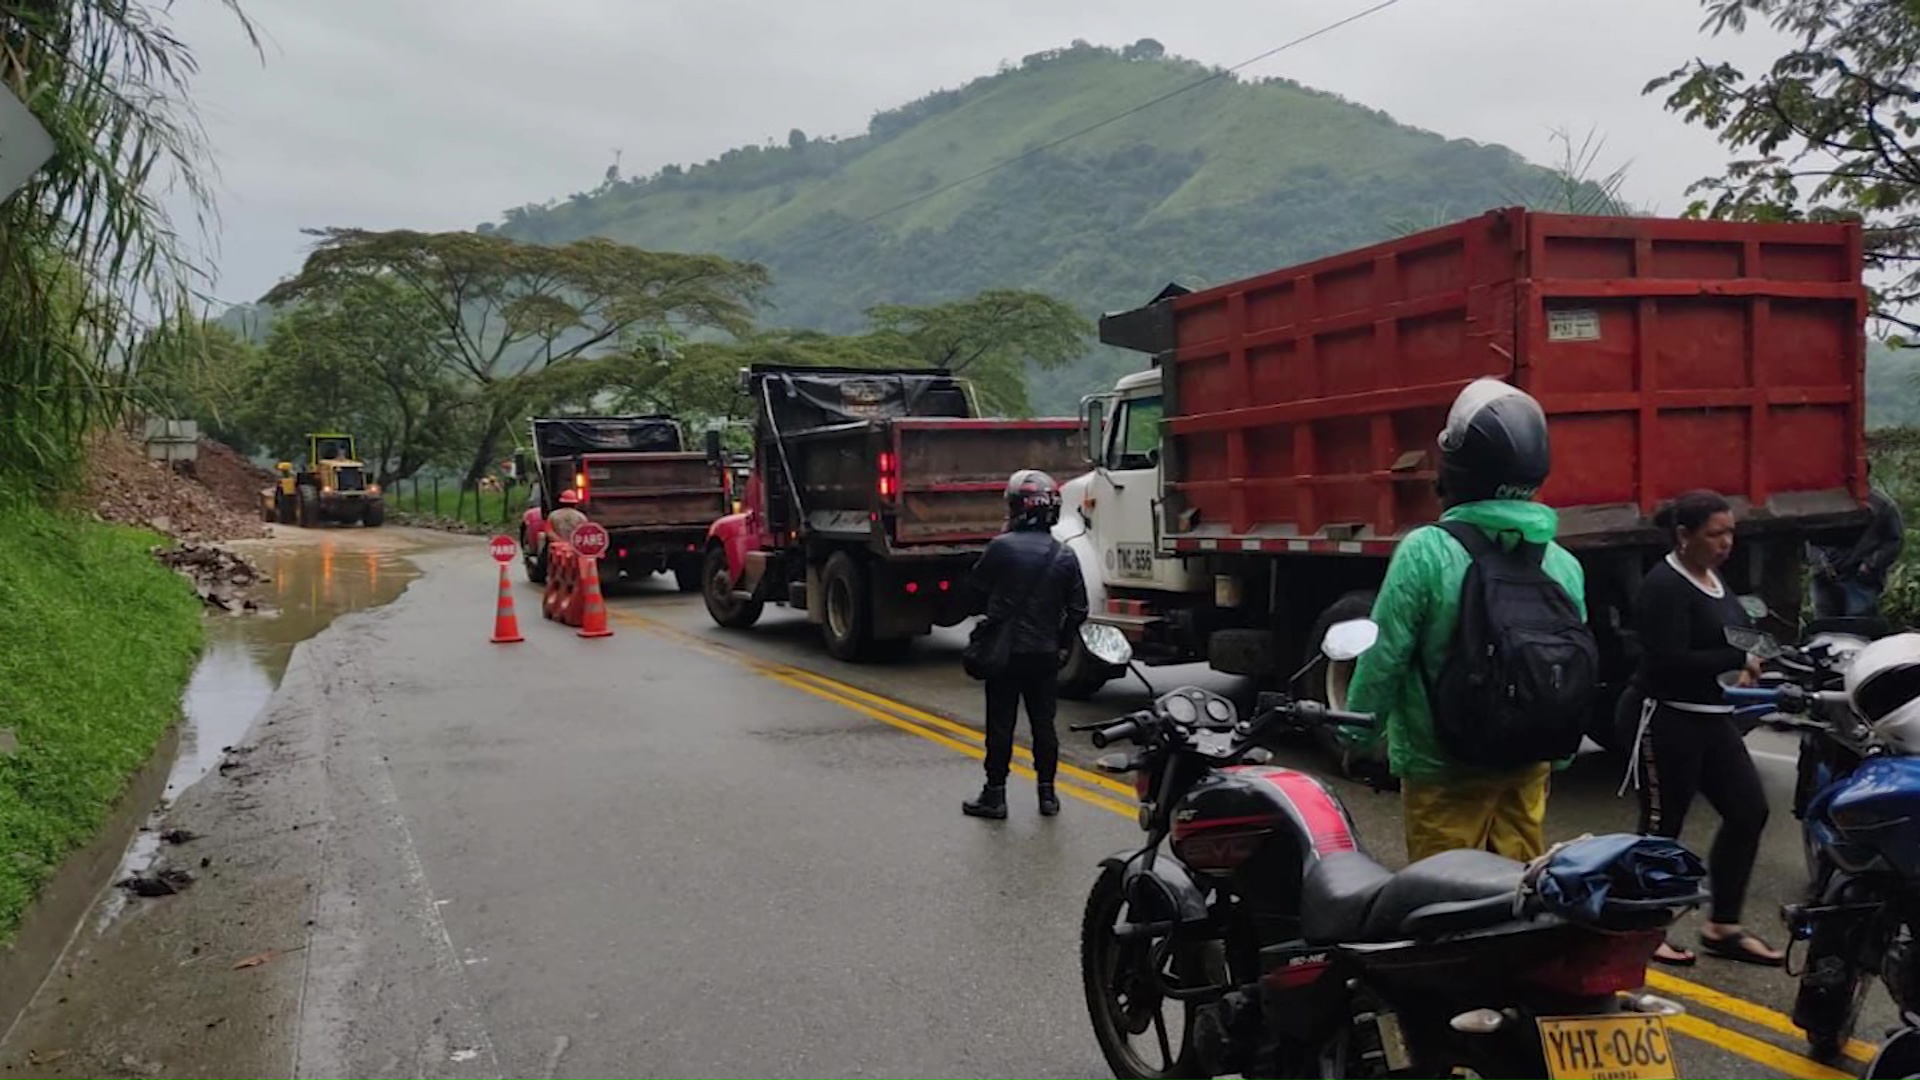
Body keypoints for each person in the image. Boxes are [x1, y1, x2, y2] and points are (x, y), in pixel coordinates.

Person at [1342, 379, 1586, 864]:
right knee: (1517, 894)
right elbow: (1567, 668)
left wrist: (1356, 735)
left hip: (1443, 766)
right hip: (1527, 763)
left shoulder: (1426, 551)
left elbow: (1385, 656)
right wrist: (1557, 755)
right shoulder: (1561, 561)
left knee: (1445, 899)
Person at [1627, 489, 1782, 968]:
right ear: (1683, 535)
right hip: (1666, 716)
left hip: (1712, 718)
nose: (1726, 542)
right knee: (1661, 831)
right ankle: (1640, 932)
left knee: (1748, 811)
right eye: (1715, 534)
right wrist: (1737, 657)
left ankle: (1723, 926)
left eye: (1731, 532)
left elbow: (1732, 630)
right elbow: (1669, 660)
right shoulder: (1664, 586)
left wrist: (1773, 652)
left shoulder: (1713, 578)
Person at [961, 470, 1088, 820]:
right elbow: (1079, 609)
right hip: (1045, 654)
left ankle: (995, 795)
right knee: (1043, 725)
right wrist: (1060, 643)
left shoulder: (1002, 547)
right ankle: (1047, 796)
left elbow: (974, 592)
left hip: (1005, 653)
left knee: (1000, 724)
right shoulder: (1065, 554)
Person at [1811, 475, 1905, 618]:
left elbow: (1894, 540)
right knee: (1825, 626)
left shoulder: (1881, 505)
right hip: (1825, 579)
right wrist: (1821, 562)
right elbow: (1808, 537)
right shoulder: (1820, 502)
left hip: (1860, 578)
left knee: (1859, 625)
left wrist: (1870, 564)